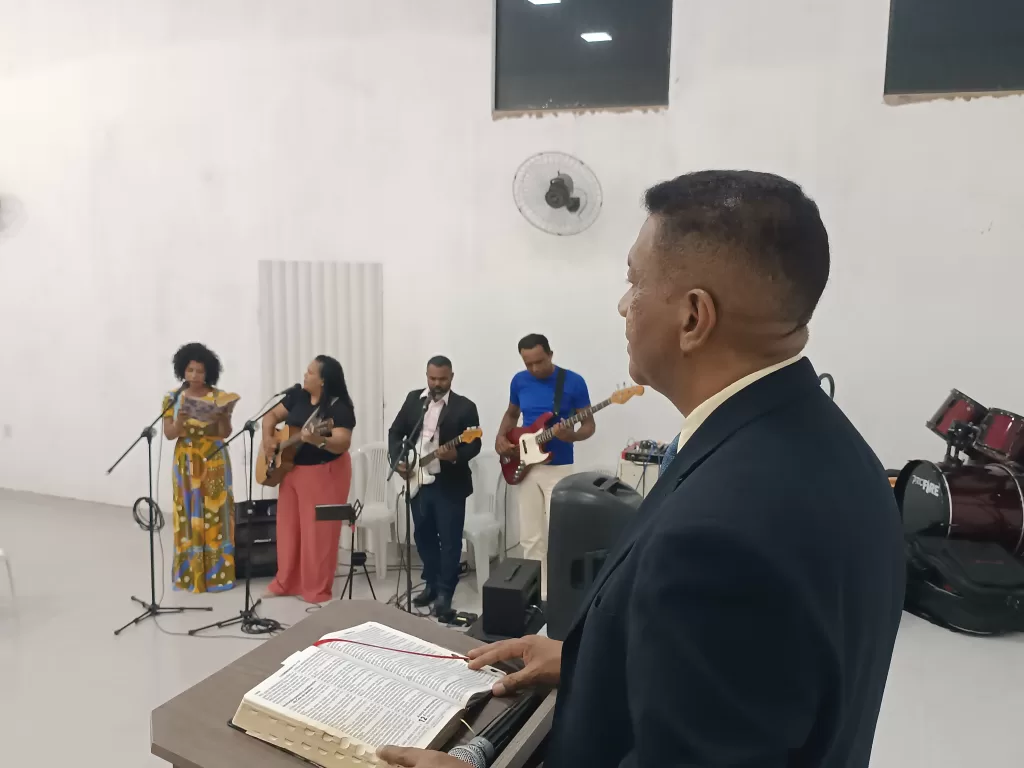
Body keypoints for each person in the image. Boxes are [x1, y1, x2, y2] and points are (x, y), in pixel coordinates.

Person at [378, 171, 905, 768]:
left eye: (634, 281)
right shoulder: (841, 453)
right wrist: (589, 663)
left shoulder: (719, 536)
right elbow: (747, 682)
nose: (623, 304)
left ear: (693, 317)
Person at [494, 334, 594, 598]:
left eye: (539, 361)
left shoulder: (573, 382)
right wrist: (501, 437)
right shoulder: (519, 381)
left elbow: (588, 425)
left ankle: (560, 596)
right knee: (530, 537)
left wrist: (571, 436)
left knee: (560, 536)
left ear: (551, 354)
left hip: (558, 468)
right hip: (525, 464)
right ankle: (538, 594)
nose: (534, 368)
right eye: (528, 364)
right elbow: (512, 414)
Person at [388, 356, 482, 617]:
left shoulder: (465, 407)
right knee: (423, 536)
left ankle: (445, 592)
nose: (437, 384)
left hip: (449, 483)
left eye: (442, 379)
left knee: (450, 541)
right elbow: (395, 432)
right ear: (426, 376)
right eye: (432, 378)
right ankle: (430, 583)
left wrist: (455, 455)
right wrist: (397, 460)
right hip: (417, 479)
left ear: (451, 377)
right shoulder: (414, 400)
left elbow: (474, 443)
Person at [261, 355, 356, 604]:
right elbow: (270, 417)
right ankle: (285, 582)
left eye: (310, 372)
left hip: (325, 472)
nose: (305, 375)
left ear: (323, 380)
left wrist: (318, 440)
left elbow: (342, 442)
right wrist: (268, 439)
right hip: (291, 470)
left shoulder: (339, 408)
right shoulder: (298, 396)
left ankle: (316, 590)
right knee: (288, 530)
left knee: (318, 534)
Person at [162, 342, 239, 593]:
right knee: (187, 513)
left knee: (216, 514)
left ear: (209, 373)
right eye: (190, 370)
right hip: (186, 459)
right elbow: (169, 434)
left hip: (214, 458)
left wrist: (223, 417)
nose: (194, 375)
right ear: (182, 370)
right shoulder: (172, 398)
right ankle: (190, 575)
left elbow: (225, 433)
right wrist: (180, 422)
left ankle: (217, 575)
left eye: (200, 371)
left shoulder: (218, 397)